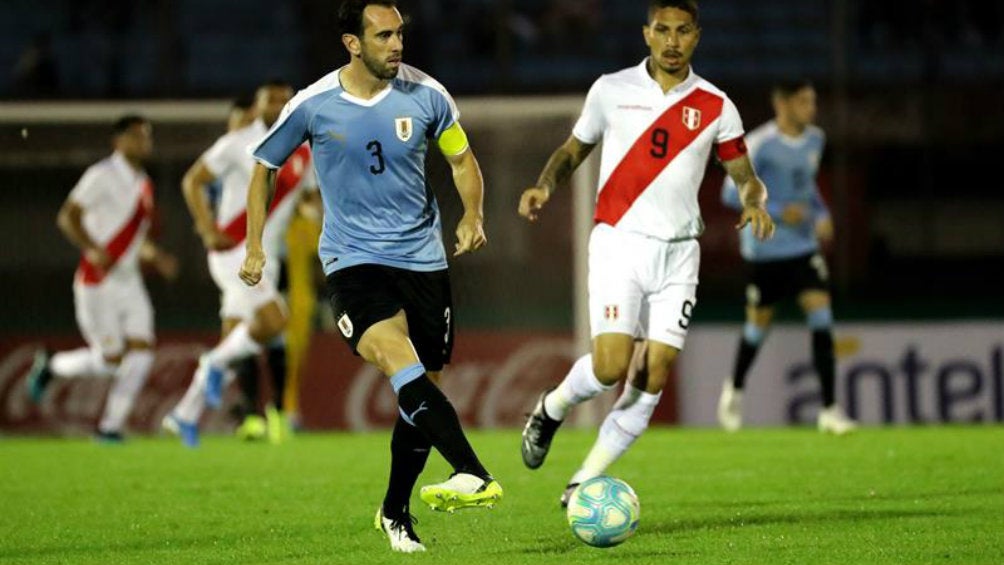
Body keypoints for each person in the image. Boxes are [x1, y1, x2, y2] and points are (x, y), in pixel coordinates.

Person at [239, 0, 502, 552]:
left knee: (421, 388)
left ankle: (394, 511)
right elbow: (264, 169)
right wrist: (255, 244)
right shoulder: (313, 105)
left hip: (424, 260)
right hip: (353, 261)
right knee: (395, 357)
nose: (397, 45)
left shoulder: (429, 94)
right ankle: (473, 471)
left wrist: (473, 213)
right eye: (384, 36)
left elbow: (461, 160)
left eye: (400, 34)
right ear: (353, 43)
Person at [518, 0, 775, 508]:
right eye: (663, 30)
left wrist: (753, 204)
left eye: (683, 31)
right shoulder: (610, 90)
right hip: (619, 243)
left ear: (696, 37)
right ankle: (550, 408)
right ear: (646, 34)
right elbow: (573, 149)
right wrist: (545, 186)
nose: (673, 41)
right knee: (611, 366)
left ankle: (582, 481)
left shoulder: (716, 104)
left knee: (652, 375)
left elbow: (746, 177)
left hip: (680, 254)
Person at [163, 80, 318, 447]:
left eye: (285, 98)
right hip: (235, 250)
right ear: (259, 105)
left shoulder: (304, 150)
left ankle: (184, 414)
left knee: (237, 336)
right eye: (271, 99)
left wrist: (321, 220)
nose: (278, 104)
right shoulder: (237, 143)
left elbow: (309, 198)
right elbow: (193, 181)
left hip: (269, 257)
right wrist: (205, 228)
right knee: (274, 322)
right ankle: (213, 366)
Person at [25, 115, 178, 442]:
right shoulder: (101, 175)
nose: (144, 142)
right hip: (98, 281)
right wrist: (91, 248)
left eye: (147, 136)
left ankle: (110, 427)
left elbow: (136, 241)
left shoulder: (144, 184)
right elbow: (68, 216)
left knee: (143, 353)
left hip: (130, 281)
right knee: (110, 361)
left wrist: (157, 257)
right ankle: (53, 365)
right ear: (118, 141)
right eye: (136, 136)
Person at [717, 79, 857, 435]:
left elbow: (806, 186)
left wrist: (821, 212)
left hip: (803, 248)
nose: (812, 108)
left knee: (822, 316)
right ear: (783, 104)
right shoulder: (760, 144)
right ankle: (734, 388)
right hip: (766, 250)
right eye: (805, 102)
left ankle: (828, 409)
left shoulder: (815, 140)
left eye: (813, 101)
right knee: (757, 327)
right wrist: (777, 211)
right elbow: (731, 194)